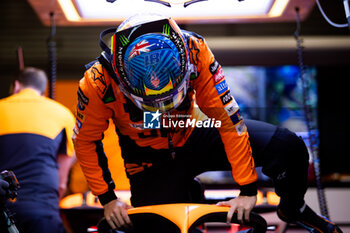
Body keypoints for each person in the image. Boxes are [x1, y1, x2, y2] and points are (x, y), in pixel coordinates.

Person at [73, 14, 342, 233]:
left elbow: (227, 119)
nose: (162, 106)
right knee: (158, 229)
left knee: (288, 146)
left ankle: (293, 209)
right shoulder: (97, 80)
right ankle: (189, 193)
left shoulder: (195, 50)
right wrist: (107, 199)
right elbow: (86, 140)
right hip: (146, 157)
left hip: (196, 129)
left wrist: (247, 190)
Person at [0, 67, 75, 233]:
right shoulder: (63, 114)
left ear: (17, 86)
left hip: (3, 207)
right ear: (43, 90)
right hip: (41, 208)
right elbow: (62, 182)